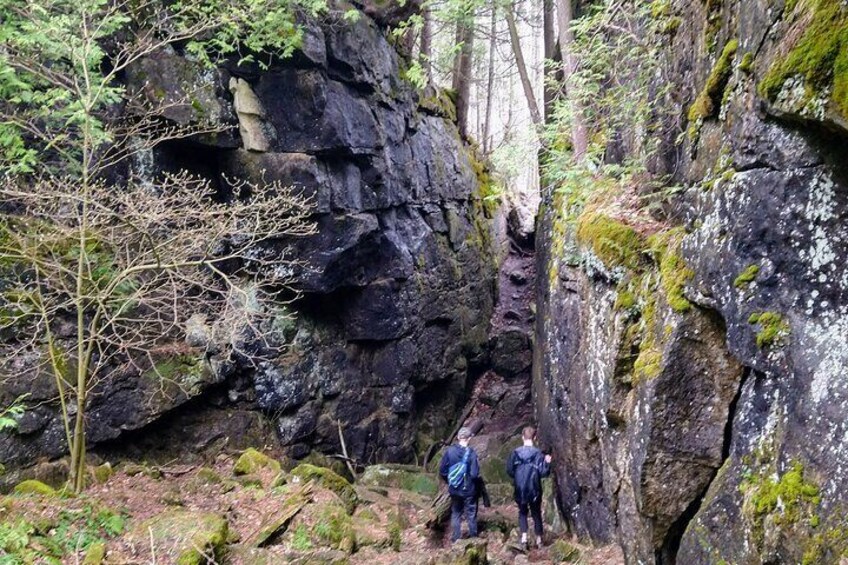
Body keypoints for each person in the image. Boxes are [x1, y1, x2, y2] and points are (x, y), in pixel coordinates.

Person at [506, 426, 552, 550]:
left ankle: (524, 538)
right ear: (535, 437)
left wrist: (517, 476)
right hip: (534, 487)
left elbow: (509, 470)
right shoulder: (538, 454)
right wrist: (547, 462)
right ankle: (539, 540)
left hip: (520, 487)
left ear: (522, 437)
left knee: (522, 512)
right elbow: (543, 473)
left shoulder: (515, 453)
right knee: (536, 513)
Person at [439, 426, 481, 543]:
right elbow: (474, 474)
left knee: (456, 513)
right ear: (468, 439)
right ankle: (474, 540)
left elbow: (442, 470)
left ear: (458, 438)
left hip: (454, 489)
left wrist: (450, 481)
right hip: (469, 490)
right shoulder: (472, 453)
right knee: (471, 514)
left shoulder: (449, 451)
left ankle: (456, 539)